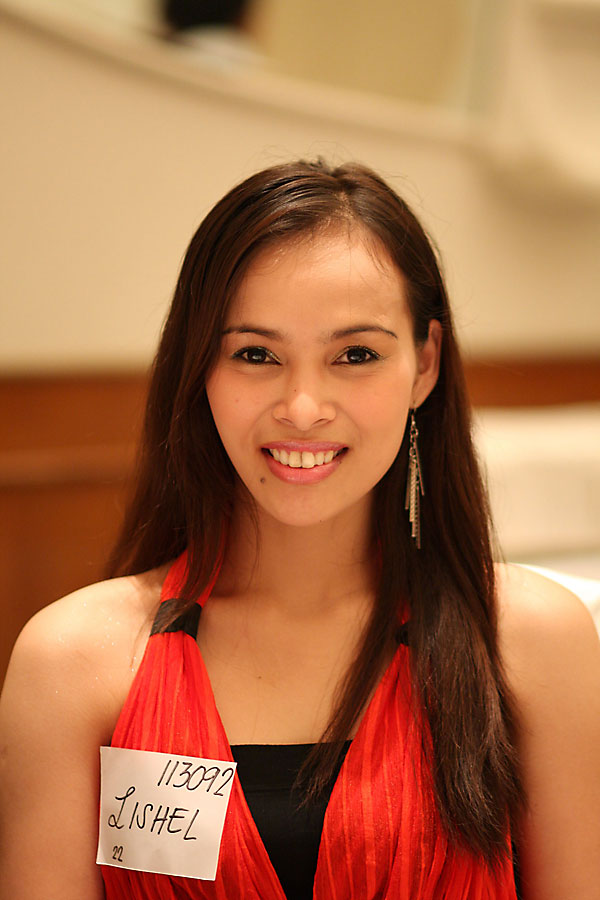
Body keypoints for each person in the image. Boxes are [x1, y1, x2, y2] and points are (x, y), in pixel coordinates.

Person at [0, 160, 598, 900]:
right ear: (201, 369)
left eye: (356, 355)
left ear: (424, 364)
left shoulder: (533, 644)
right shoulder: (74, 663)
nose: (304, 406)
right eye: (256, 354)